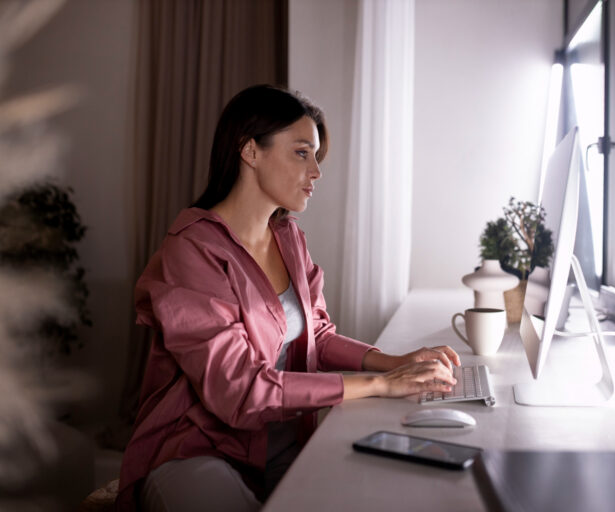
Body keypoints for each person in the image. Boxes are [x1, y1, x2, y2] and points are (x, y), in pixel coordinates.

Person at [116, 84, 461, 511]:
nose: (316, 170)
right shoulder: (192, 251)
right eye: (302, 152)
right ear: (250, 152)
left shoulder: (288, 237)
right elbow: (238, 390)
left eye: (317, 155)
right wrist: (378, 384)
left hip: (277, 445)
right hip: (197, 451)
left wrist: (396, 361)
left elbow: (316, 332)